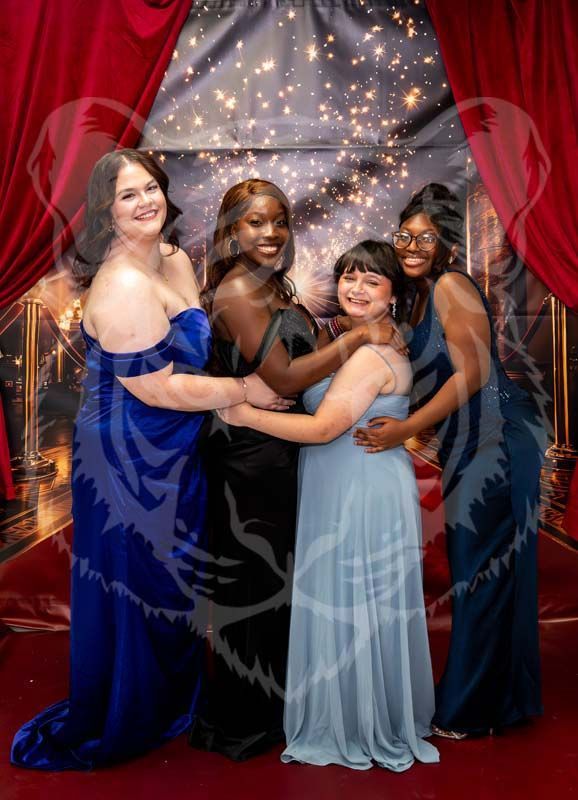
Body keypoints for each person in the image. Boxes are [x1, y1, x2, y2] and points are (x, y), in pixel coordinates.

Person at [11, 149, 287, 770]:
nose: (146, 202)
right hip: (127, 455)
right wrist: (246, 391)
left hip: (176, 443)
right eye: (128, 195)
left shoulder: (172, 256)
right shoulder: (123, 285)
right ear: (107, 212)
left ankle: (171, 694)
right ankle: (131, 708)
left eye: (152, 188)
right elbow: (158, 387)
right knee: (139, 579)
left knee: (174, 575)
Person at [188, 182, 406, 761]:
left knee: (278, 586)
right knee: (254, 586)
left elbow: (300, 374)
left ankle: (276, 707)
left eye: (279, 222)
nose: (270, 233)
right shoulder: (237, 288)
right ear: (231, 229)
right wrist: (360, 335)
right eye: (255, 223)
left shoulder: (273, 286)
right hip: (248, 458)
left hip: (280, 455)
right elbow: (285, 378)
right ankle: (242, 721)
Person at [219, 241, 440, 771]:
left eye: (371, 282)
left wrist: (244, 415)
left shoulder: (371, 353)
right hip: (349, 482)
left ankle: (357, 723)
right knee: (355, 605)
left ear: (393, 295)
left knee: (353, 604)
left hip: (358, 491)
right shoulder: (349, 340)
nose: (356, 289)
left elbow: (322, 428)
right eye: (349, 277)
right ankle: (359, 710)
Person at [352, 184, 546, 738]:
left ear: (447, 244)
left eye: (425, 237)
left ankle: (469, 709)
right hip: (471, 441)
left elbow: (476, 373)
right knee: (484, 570)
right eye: (405, 235)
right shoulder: (423, 293)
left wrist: (408, 429)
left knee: (480, 572)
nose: (412, 246)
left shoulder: (452, 286)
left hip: (497, 440)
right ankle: (498, 699)